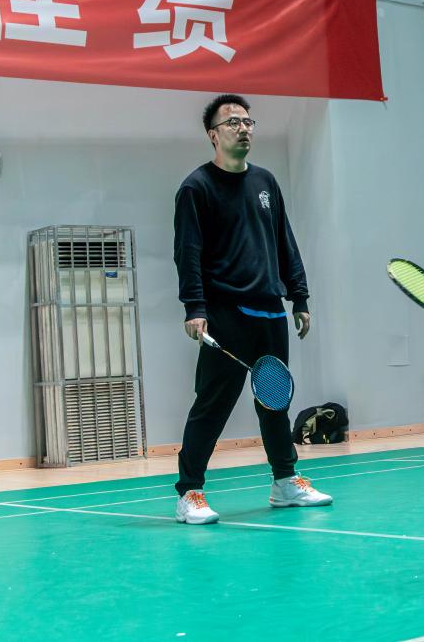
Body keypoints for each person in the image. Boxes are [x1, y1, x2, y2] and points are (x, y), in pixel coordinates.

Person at [173, 93, 332, 524]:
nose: (243, 128)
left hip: (270, 311)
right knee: (213, 404)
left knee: (274, 402)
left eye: (248, 121)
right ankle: (190, 492)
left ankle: (285, 481)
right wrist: (194, 307)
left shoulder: (265, 182)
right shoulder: (196, 188)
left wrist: (299, 296)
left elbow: (284, 242)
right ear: (213, 134)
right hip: (225, 313)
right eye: (232, 122)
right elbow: (187, 253)